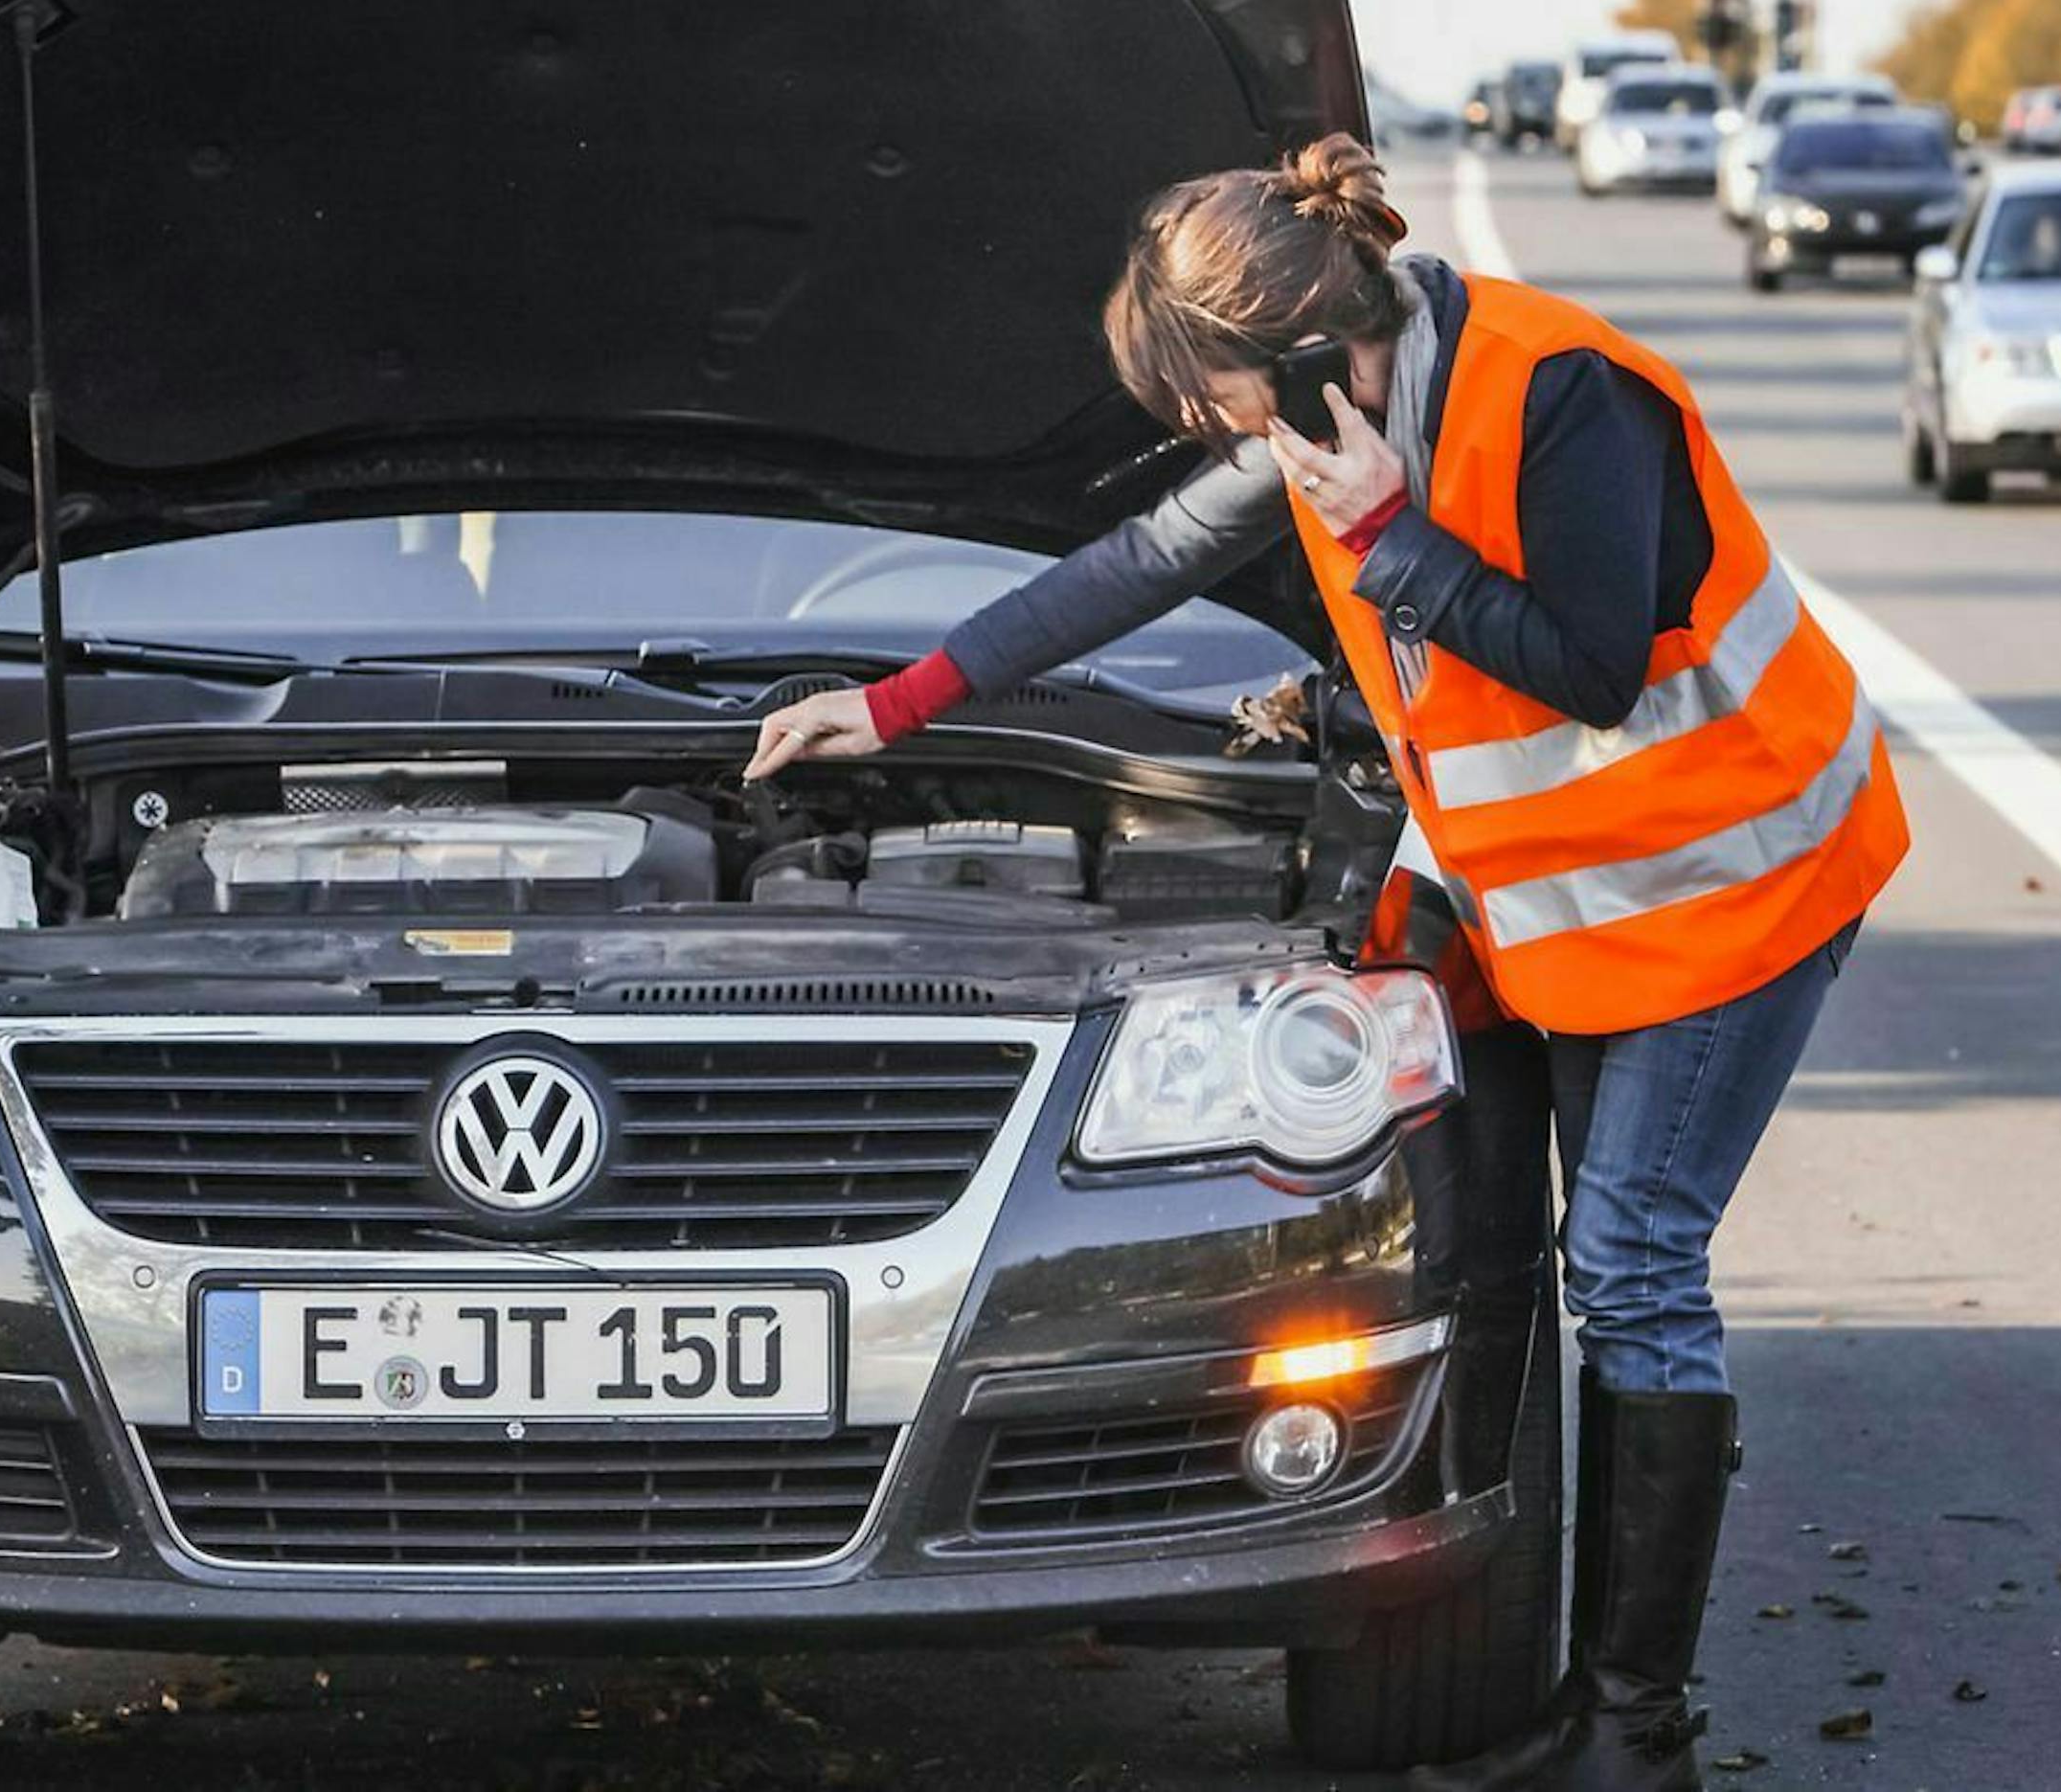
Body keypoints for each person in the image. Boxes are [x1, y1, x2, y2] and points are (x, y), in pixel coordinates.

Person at [748, 133, 1906, 1791]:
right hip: (1571, 895)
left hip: (1740, 875)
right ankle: (1530, 1685)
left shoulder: (1565, 395)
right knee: (1527, 1254)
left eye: (1216, 401)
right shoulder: (1322, 422)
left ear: (1300, 355)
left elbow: (1585, 667)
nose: (1220, 437)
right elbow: (1139, 563)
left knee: (1637, 1266)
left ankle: (1636, 1734)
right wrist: (902, 702)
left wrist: (1392, 537)